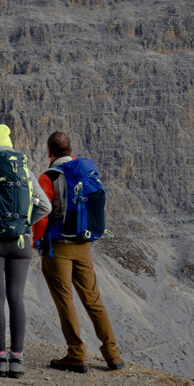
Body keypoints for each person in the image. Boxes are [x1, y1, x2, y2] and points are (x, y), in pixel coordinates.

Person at [32, 131, 125, 373]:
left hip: (59, 248)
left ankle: (76, 354)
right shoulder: (85, 171)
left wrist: (37, 241)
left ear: (50, 152)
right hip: (84, 245)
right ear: (70, 150)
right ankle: (112, 355)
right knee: (93, 300)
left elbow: (42, 214)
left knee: (65, 300)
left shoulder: (48, 177)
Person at [0, 124, 51, 378]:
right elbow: (45, 206)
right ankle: (17, 359)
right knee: (16, 297)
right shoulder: (25, 169)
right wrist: (25, 223)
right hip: (22, 241)